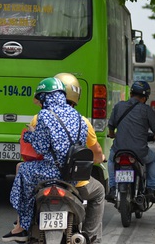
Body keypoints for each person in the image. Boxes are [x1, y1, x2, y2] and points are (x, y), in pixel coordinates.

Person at [4, 77, 87, 243]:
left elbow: (41, 148)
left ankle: (22, 225)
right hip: (72, 174)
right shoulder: (79, 117)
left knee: (22, 170)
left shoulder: (45, 115)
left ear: (45, 97)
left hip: (51, 171)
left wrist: (30, 135)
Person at [54, 73, 106, 244]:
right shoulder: (82, 121)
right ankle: (92, 237)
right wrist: (100, 158)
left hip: (44, 179)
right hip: (74, 183)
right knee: (98, 191)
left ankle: (23, 227)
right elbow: (96, 152)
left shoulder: (38, 118)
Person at [106, 80, 155, 203]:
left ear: (131, 94)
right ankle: (151, 190)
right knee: (153, 159)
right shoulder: (146, 110)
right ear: (144, 98)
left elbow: (111, 126)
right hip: (139, 152)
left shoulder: (119, 106)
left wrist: (112, 135)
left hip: (118, 151)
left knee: (111, 160)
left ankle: (112, 188)